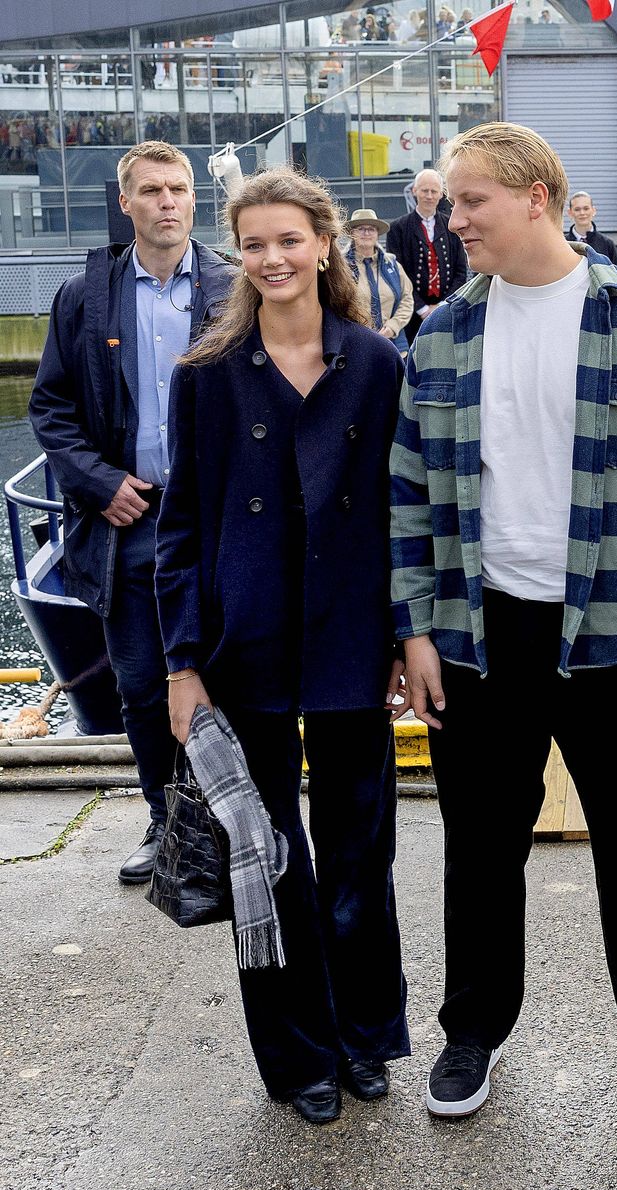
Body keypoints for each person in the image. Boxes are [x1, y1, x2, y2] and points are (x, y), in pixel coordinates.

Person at [390, 121, 617, 1125]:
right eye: (451, 204)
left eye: (469, 203)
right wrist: (413, 630)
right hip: (479, 636)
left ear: (535, 196)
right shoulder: (442, 332)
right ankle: (469, 1034)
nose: (452, 224)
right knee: (478, 851)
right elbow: (408, 495)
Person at [155, 166, 411, 1126]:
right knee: (266, 859)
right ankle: (296, 1055)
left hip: (350, 637)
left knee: (358, 853)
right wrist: (183, 665)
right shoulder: (208, 379)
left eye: (288, 240)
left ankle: (364, 1035)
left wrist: (403, 638)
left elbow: (399, 517)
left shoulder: (376, 366)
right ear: (237, 253)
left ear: (325, 242)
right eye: (253, 244)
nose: (272, 259)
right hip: (243, 644)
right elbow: (179, 529)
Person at [28, 141, 236, 884]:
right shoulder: (87, 297)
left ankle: (233, 818)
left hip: (217, 524)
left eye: (178, 188)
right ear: (127, 203)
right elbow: (50, 407)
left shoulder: (230, 285)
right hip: (129, 522)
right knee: (145, 685)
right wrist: (97, 482)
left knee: (227, 678)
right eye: (151, 190)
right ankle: (166, 819)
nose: (168, 202)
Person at [386, 168, 467, 345]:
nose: (429, 196)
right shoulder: (398, 228)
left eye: (434, 191)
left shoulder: (452, 226)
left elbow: (461, 272)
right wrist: (422, 309)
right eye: (424, 190)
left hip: (447, 309)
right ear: (415, 191)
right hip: (411, 316)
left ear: (441, 194)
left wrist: (441, 306)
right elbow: (397, 275)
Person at [344, 207, 414, 355]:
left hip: (393, 345)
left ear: (377, 234)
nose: (366, 233)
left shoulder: (393, 265)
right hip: (355, 346)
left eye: (371, 229)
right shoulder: (341, 267)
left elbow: (407, 299)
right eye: (361, 229)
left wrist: (393, 326)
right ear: (352, 234)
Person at [565, 190, 617, 264]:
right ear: (570, 213)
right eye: (577, 209)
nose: (582, 213)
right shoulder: (563, 243)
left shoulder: (607, 244)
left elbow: (616, 274)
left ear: (593, 210)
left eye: (586, 208)